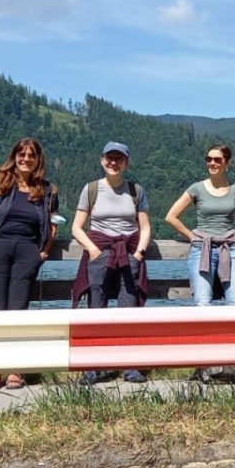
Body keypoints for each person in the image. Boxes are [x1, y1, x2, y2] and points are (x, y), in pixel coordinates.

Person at [164, 144, 235, 384]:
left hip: (231, 249)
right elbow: (171, 216)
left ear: (227, 163)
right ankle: (204, 362)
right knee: (202, 305)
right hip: (202, 249)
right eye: (209, 159)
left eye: (218, 159)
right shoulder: (196, 189)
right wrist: (193, 237)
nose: (212, 163)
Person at [0, 137, 60, 391]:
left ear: (38, 160)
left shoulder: (47, 190)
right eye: (21, 154)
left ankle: (15, 368)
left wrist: (44, 251)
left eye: (31, 155)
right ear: (14, 156)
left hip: (27, 250)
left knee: (18, 309)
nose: (26, 159)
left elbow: (54, 224)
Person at [73, 142, 154, 384]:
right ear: (102, 160)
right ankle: (92, 367)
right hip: (99, 254)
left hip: (128, 253)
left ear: (126, 163)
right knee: (96, 309)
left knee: (129, 310)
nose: (113, 163)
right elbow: (77, 227)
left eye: (119, 159)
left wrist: (139, 253)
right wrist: (93, 250)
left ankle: (130, 366)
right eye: (110, 158)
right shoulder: (91, 190)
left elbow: (146, 227)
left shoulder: (135, 191)